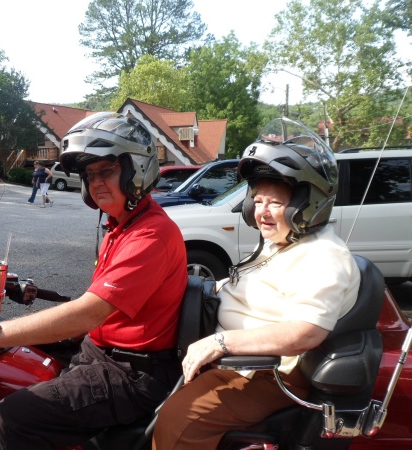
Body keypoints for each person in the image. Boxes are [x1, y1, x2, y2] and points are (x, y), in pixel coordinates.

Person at [0, 112, 188, 449]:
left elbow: (89, 313)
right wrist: (34, 295)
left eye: (106, 171)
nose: (96, 183)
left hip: (130, 373)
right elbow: (101, 302)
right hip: (103, 349)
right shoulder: (122, 226)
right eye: (89, 175)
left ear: (136, 171)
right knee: (5, 360)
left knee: (13, 416)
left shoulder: (150, 235)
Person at [152, 117, 360, 449]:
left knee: (179, 421)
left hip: (266, 373)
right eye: (258, 200)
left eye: (275, 203)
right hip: (239, 361)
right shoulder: (282, 243)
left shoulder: (323, 255)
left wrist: (220, 343)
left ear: (307, 204)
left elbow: (305, 333)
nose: (262, 212)